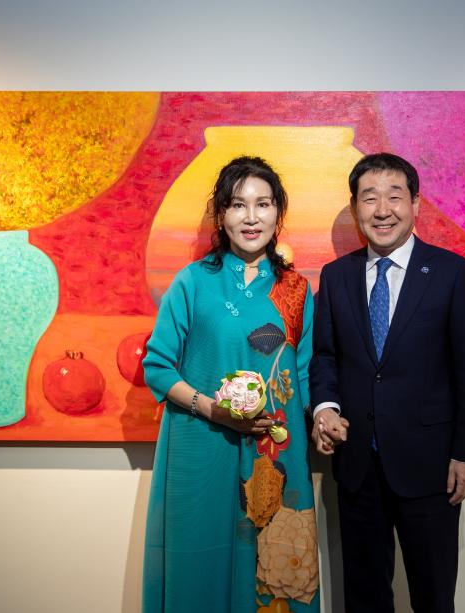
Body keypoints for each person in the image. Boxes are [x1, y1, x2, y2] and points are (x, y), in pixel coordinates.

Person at [142, 156, 320, 612]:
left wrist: (323, 420)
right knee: (199, 568)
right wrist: (210, 408)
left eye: (263, 204)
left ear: (278, 212)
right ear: (221, 215)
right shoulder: (193, 282)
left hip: (274, 456)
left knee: (273, 575)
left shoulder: (297, 290)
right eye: (238, 205)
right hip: (202, 448)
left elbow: (304, 377)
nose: (251, 217)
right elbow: (158, 366)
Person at [309, 153, 465, 613]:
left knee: (433, 595)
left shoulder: (451, 273)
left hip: (431, 465)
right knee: (364, 596)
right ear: (356, 209)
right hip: (357, 464)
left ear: (415, 204)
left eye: (394, 196)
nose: (382, 210)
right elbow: (325, 356)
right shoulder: (336, 277)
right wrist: (325, 408)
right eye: (369, 198)